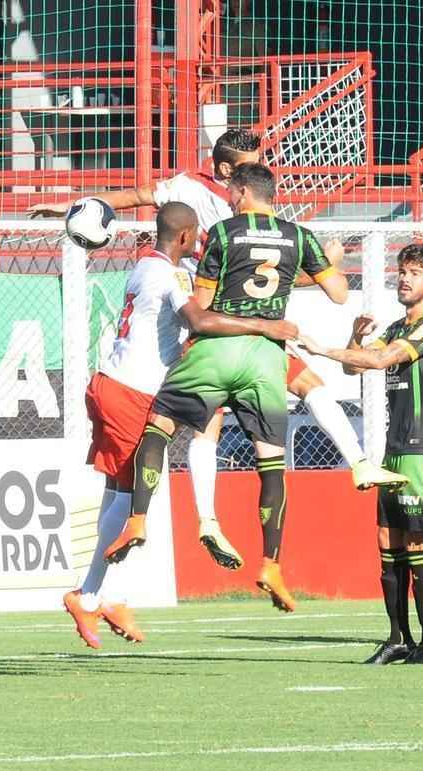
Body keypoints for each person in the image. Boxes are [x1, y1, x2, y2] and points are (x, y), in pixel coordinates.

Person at [33, 128, 403, 571]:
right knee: (305, 390)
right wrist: (326, 268)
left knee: (197, 426)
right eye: (250, 162)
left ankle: (201, 520)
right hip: (221, 321)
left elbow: (139, 201)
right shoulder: (213, 202)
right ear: (229, 172)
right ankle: (355, 466)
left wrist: (80, 209)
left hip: (207, 325)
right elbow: (136, 196)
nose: (259, 169)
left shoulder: (226, 214)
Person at [102, 163, 348, 614]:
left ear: (238, 190)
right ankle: (272, 561)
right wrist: (325, 267)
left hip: (217, 349)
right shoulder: (297, 235)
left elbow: (205, 305)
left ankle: (142, 518)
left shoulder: (220, 233)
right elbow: (339, 292)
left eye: (232, 193)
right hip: (266, 355)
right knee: (273, 458)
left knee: (161, 427)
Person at [65, 202, 299, 648]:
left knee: (120, 493)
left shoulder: (145, 266)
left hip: (111, 383)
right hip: (134, 390)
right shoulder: (170, 275)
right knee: (137, 498)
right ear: (187, 237)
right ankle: (90, 593)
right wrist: (262, 325)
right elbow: (197, 320)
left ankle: (105, 594)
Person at [298, 244, 423, 665]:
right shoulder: (398, 325)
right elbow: (357, 365)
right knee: (388, 540)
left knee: (419, 540)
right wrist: (353, 337)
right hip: (396, 448)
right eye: (402, 271)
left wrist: (321, 349)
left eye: (415, 273)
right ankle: (398, 638)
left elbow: (382, 359)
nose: (405, 279)